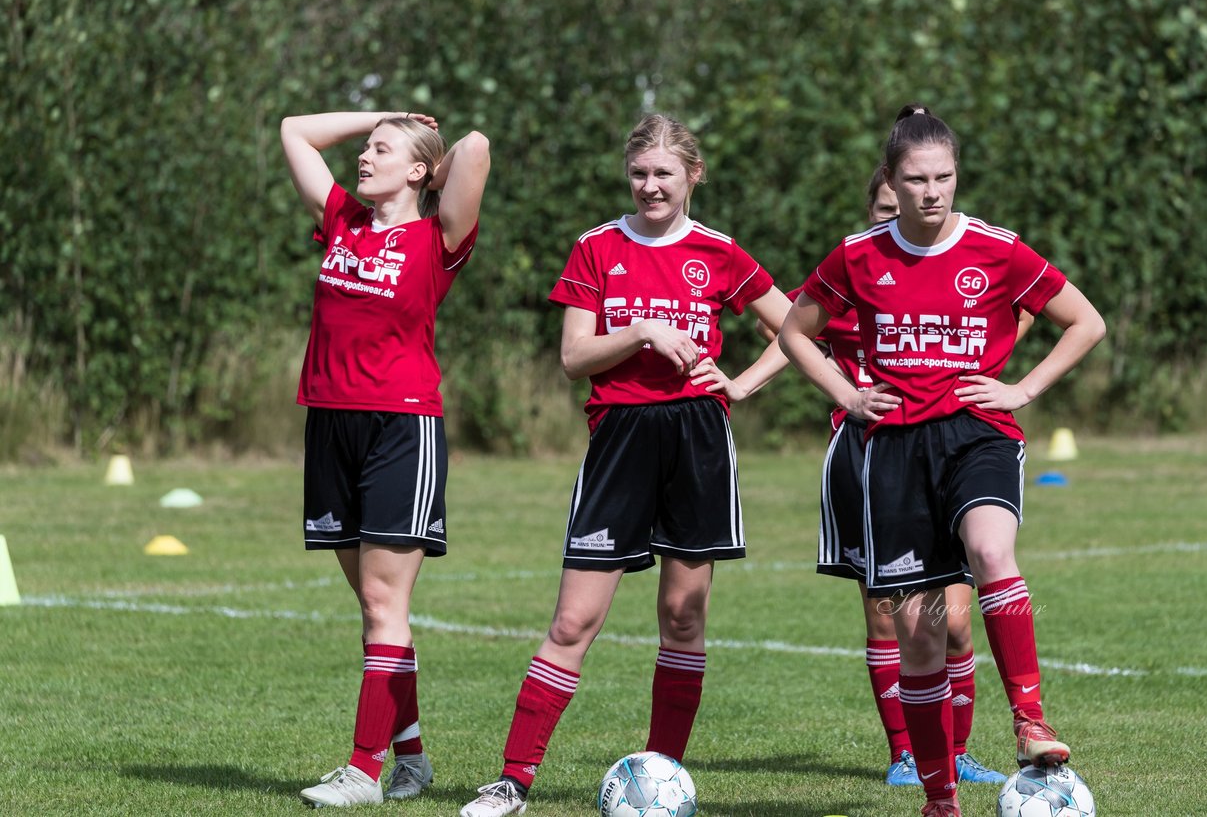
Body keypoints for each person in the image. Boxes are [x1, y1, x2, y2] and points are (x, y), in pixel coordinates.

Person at [460, 114, 792, 817]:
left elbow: (796, 327)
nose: (650, 186)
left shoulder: (719, 252)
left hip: (699, 437)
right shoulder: (597, 248)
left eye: (664, 173)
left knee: (682, 617)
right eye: (639, 173)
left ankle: (663, 778)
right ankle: (512, 782)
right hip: (619, 439)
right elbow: (575, 355)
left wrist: (741, 383)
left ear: (692, 175)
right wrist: (641, 330)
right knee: (575, 620)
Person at [779, 104, 1105, 817]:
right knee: (920, 636)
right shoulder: (857, 255)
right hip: (893, 449)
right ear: (892, 180)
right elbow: (794, 331)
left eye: (945, 177)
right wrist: (846, 392)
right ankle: (940, 797)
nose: (932, 192)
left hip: (977, 433)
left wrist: (1022, 388)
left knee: (992, 551)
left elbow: (1086, 321)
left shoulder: (998, 249)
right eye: (917, 179)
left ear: (957, 175)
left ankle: (1029, 720)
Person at [279, 109, 490, 807]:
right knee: (377, 612)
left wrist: (422, 136)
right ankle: (412, 759)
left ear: (420, 170)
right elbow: (293, 131)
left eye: (381, 151)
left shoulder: (439, 238)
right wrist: (380, 117)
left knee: (381, 602)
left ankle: (363, 772)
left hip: (402, 429)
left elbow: (477, 148)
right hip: (330, 428)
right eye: (365, 149)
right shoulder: (340, 219)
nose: (364, 158)